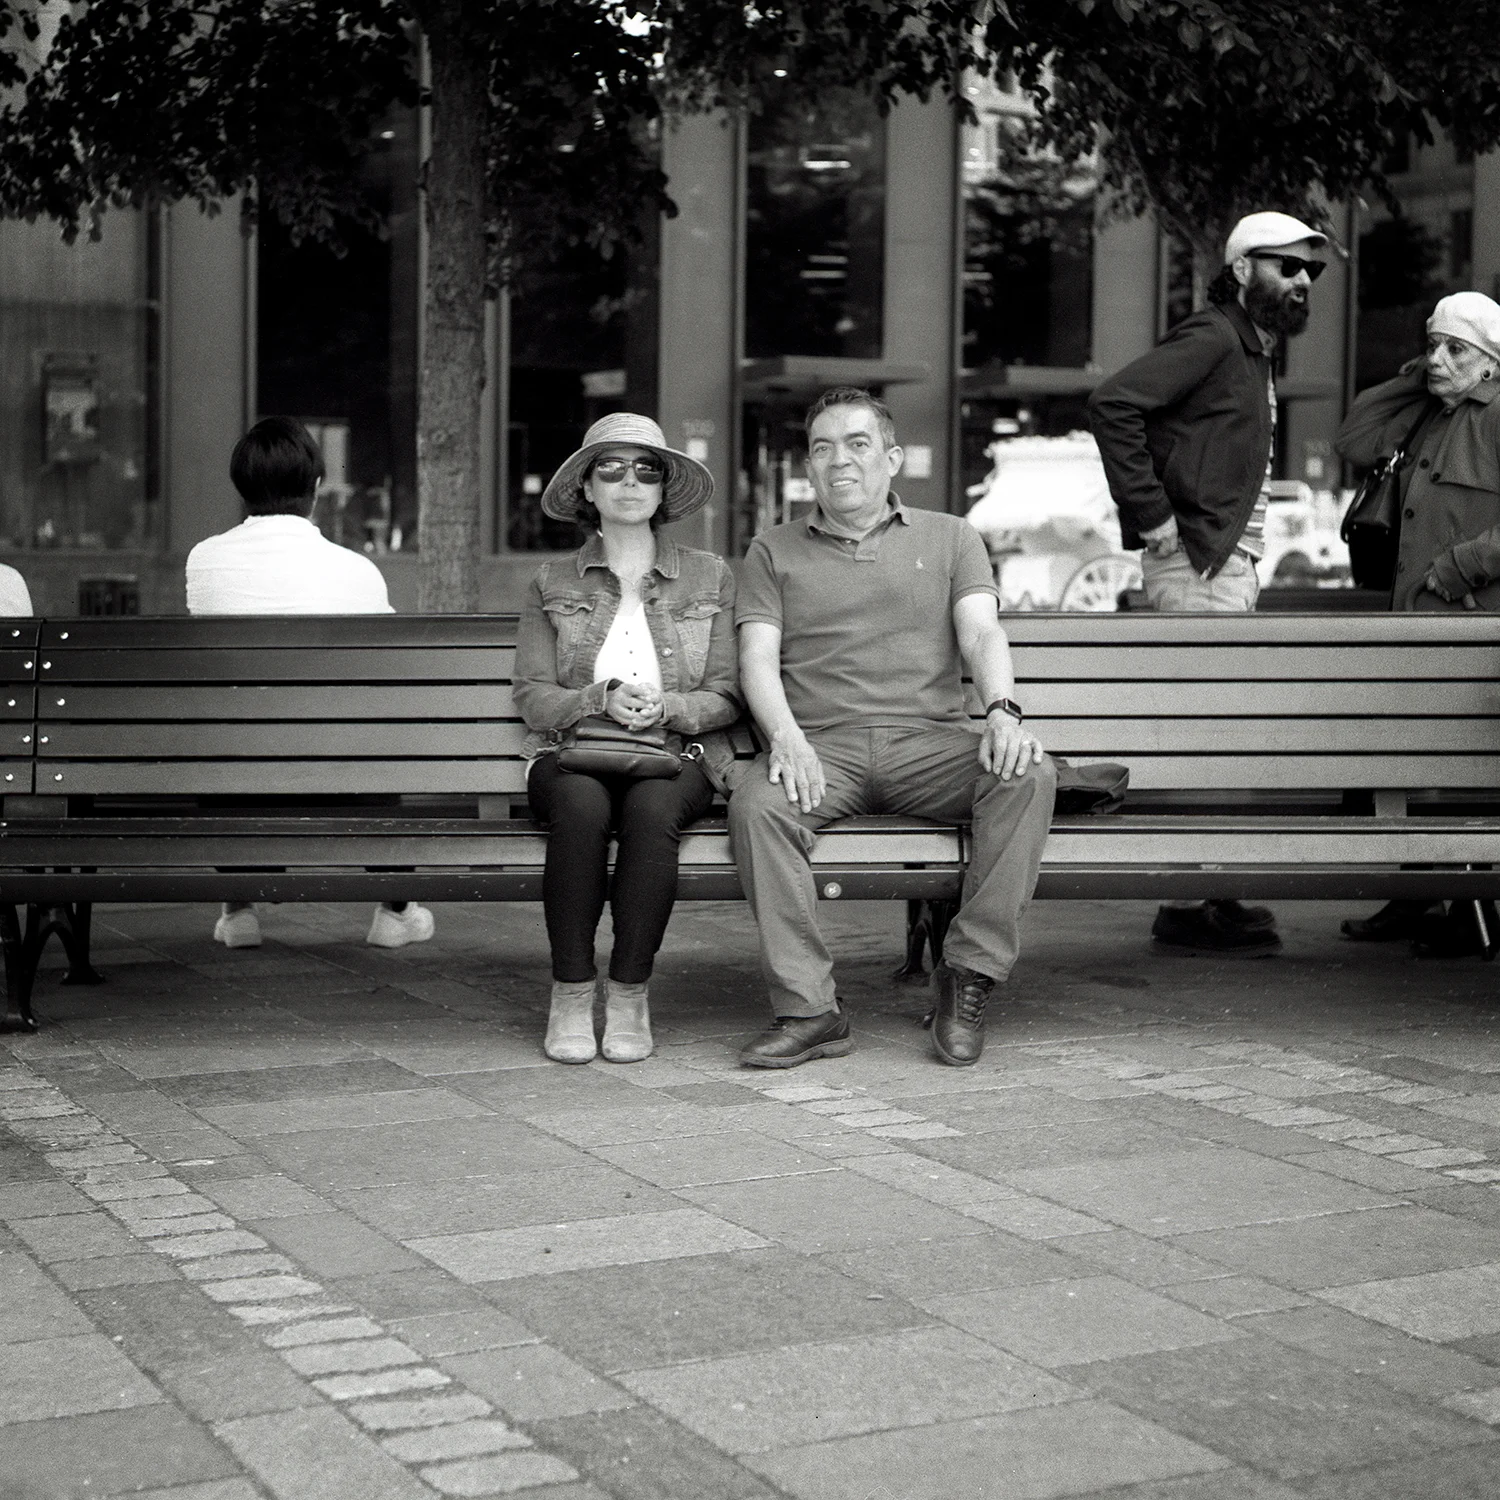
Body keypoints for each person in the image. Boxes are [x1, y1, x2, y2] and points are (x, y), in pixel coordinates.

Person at [729, 387, 1055, 1070]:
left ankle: (967, 975)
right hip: (822, 751)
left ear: (893, 457)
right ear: (809, 466)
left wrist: (1002, 712)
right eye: (822, 448)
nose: (839, 460)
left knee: (1026, 773)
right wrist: (785, 736)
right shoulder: (771, 549)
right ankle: (811, 1011)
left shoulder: (952, 537)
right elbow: (757, 656)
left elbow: (981, 633)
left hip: (928, 746)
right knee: (758, 805)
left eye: (857, 444)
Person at [1089, 209, 1329, 954]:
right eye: (1286, 265)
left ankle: (1207, 888)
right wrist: (1154, 515)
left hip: (1223, 565)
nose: (1301, 279)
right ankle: (1188, 900)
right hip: (1198, 565)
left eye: (1310, 270)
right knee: (1205, 730)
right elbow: (1113, 404)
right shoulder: (1215, 337)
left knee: (1218, 729)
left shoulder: (1253, 349)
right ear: (1242, 268)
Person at [515, 413, 739, 1064]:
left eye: (647, 469)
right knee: (581, 805)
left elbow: (727, 692)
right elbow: (531, 693)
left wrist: (668, 708)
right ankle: (570, 993)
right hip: (570, 751)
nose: (629, 481)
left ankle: (630, 994)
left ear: (664, 486)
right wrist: (599, 697)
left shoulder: (710, 576)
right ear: (587, 488)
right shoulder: (552, 581)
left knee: (651, 810)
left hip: (675, 753)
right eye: (610, 469)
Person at [186, 416, 434, 951]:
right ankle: (395, 911)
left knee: (231, 728)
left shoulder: (204, 562)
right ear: (317, 488)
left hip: (234, 781)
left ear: (241, 488)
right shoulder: (357, 571)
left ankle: (238, 907)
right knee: (373, 734)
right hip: (346, 778)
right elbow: (387, 675)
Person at [1336, 290, 1500, 955]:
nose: (1438, 359)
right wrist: (1421, 373)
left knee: (1461, 771)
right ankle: (1417, 893)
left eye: (1455, 349)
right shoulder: (1430, 411)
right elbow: (1354, 434)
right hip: (1415, 627)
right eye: (1432, 345)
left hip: (1471, 629)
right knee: (1418, 761)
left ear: (1491, 362)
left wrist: (1461, 567)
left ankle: (1469, 910)